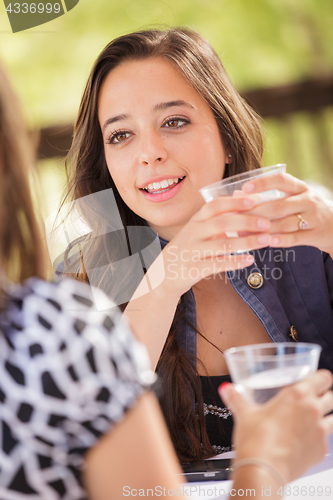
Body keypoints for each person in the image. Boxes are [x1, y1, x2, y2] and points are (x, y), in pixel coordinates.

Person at [0, 56, 333, 500]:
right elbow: (97, 403)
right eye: (121, 135)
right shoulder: (83, 279)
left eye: (174, 121)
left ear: (227, 139)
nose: (149, 152)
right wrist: (167, 278)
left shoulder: (309, 240)